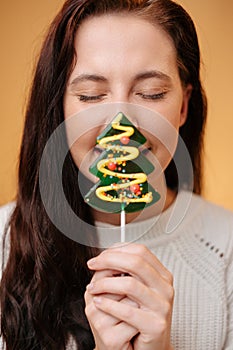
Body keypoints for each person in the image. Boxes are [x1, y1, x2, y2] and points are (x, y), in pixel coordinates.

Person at [0, 0, 233, 349]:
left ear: (183, 106)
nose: (120, 125)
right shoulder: (2, 245)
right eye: (91, 95)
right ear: (60, 108)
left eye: (150, 93)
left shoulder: (225, 250)